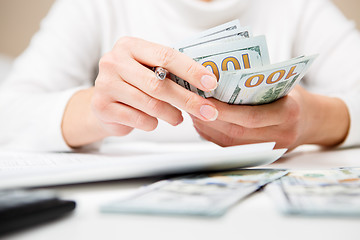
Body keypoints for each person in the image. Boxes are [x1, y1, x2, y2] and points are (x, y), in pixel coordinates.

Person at [0, 0, 359, 152]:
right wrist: (96, 111)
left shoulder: (299, 7)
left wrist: (314, 120)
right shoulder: (94, 6)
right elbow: (9, 112)